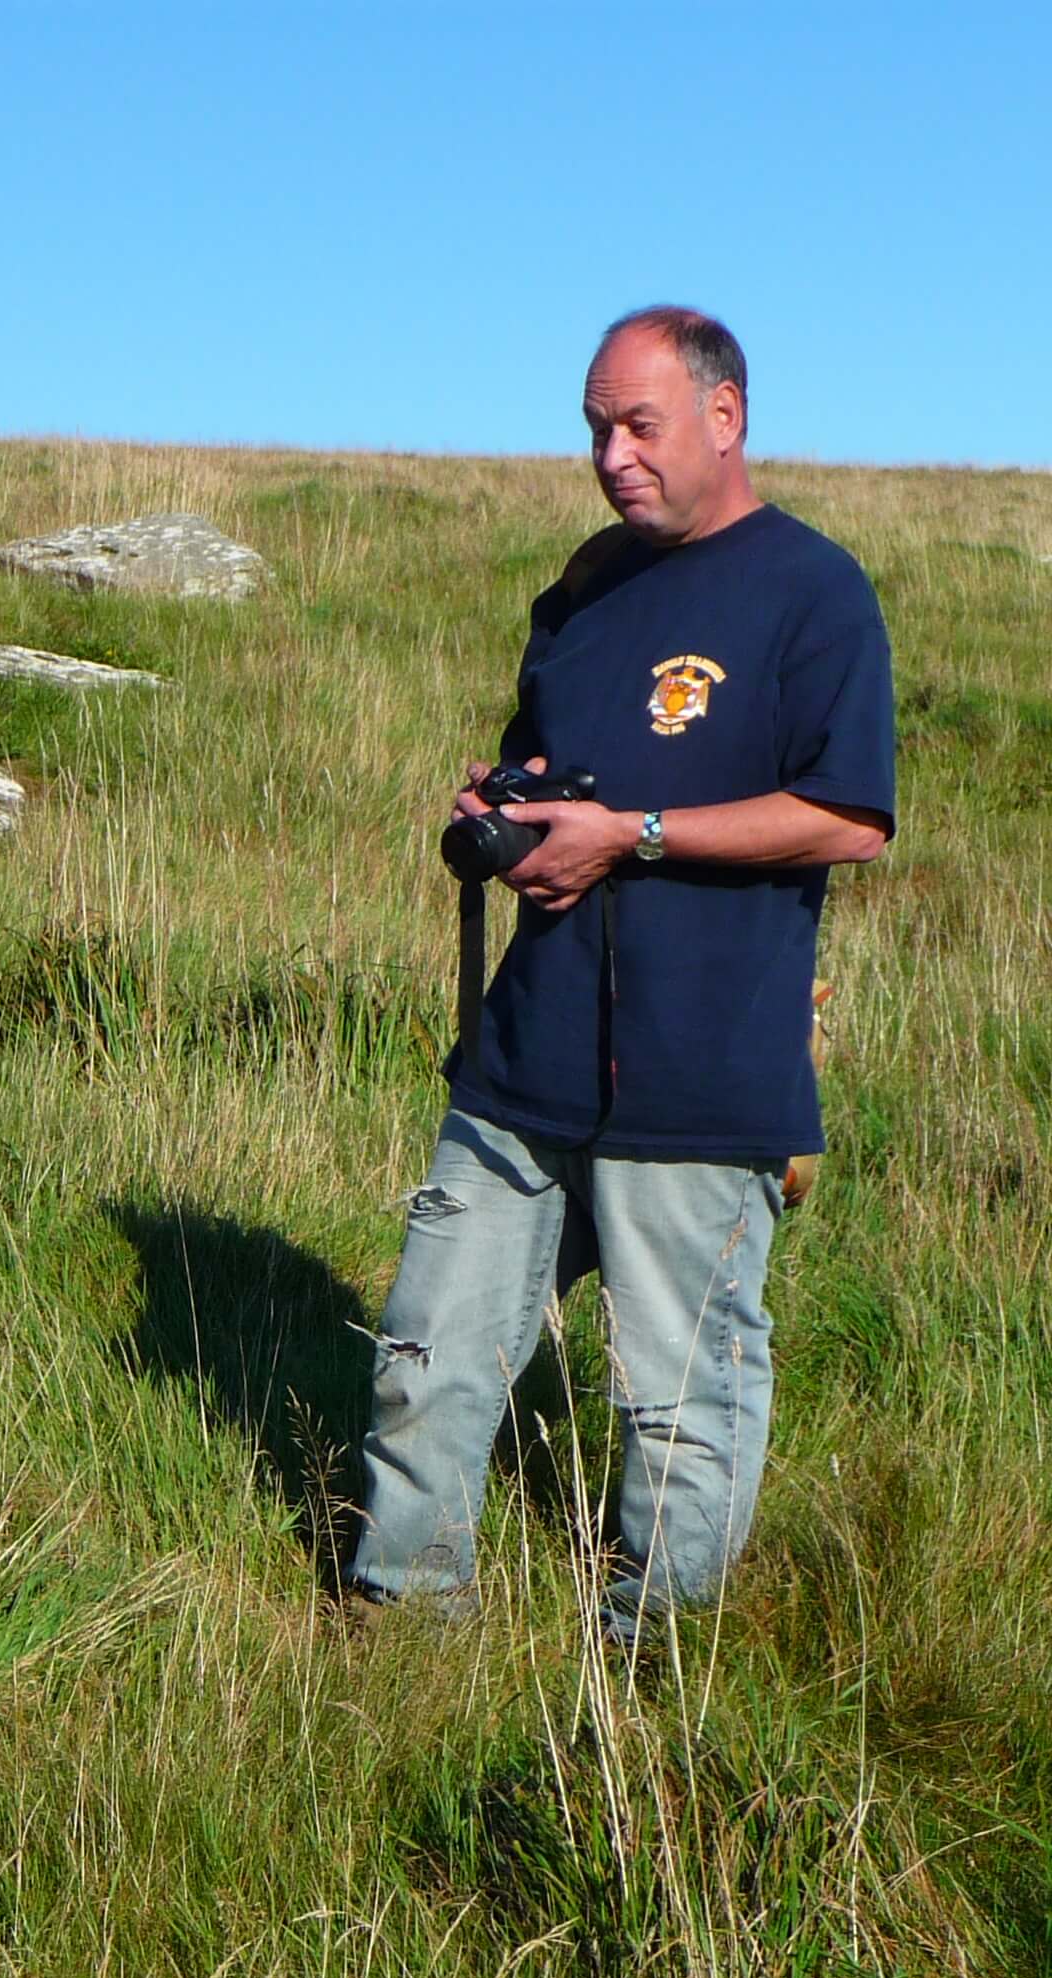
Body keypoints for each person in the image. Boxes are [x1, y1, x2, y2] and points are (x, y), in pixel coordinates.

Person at [347, 306, 895, 1641]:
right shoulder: (587, 588)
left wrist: (632, 838)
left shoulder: (813, 593)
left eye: (637, 425)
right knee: (428, 1353)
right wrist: (516, 807)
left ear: (725, 417)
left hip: (701, 1068)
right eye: (595, 427)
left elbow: (849, 817)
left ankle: (659, 1673)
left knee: (681, 1396)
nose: (611, 455)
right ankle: (403, 1628)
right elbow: (541, 755)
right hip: (525, 1057)